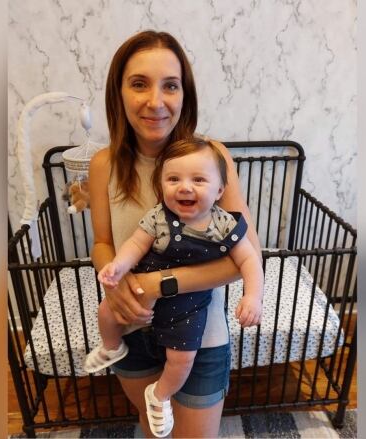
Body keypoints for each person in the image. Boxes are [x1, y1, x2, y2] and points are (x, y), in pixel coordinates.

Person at [88, 30, 263, 438]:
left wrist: (157, 284)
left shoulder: (212, 159)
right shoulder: (102, 165)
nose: (155, 101)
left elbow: (245, 255)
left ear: (185, 94)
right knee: (153, 432)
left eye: (170, 85)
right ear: (119, 94)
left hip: (200, 338)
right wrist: (115, 286)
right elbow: (102, 243)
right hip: (131, 328)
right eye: (138, 84)